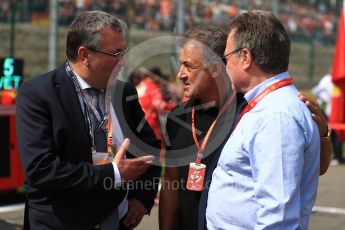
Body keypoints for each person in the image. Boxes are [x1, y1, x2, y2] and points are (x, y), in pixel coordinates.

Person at [159, 25, 330, 230]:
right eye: (180, 65)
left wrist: (322, 136)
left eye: (188, 66)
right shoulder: (178, 117)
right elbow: (171, 184)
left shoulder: (249, 112)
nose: (180, 74)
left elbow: (313, 168)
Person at [16, 11, 161, 230]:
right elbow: (40, 169)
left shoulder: (124, 93)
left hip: (117, 222)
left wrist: (142, 199)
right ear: (85, 55)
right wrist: (113, 173)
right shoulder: (39, 94)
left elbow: (150, 148)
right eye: (116, 53)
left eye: (125, 51)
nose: (123, 62)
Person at [205, 11, 320, 229]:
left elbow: (279, 215)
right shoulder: (269, 106)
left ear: (246, 57)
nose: (225, 65)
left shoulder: (276, 115)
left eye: (227, 58)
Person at [312, 73, 345, 164]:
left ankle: (338, 156)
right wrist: (325, 98)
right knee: (331, 134)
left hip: (339, 112)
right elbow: (316, 90)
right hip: (329, 112)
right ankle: (335, 156)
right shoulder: (327, 79)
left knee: (337, 134)